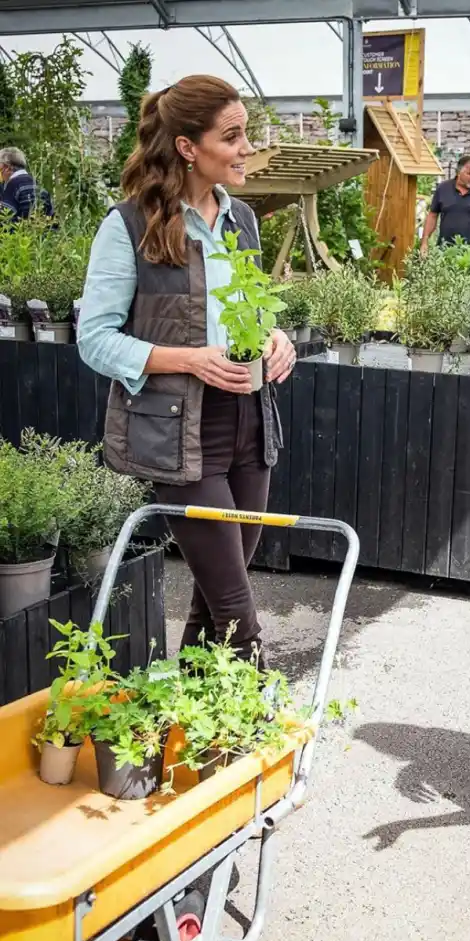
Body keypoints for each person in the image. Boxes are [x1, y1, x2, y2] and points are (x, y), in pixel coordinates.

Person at [77, 75, 296, 665]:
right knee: (237, 614)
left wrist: (277, 337)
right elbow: (94, 340)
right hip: (180, 434)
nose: (247, 146)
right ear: (187, 147)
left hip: (250, 421)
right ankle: (248, 737)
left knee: (211, 601)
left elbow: (250, 306)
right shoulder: (129, 227)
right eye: (233, 136)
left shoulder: (241, 219)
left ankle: (189, 745)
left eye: (245, 132)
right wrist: (187, 359)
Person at [420, 154, 470, 252]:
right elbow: (432, 216)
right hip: (444, 251)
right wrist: (424, 242)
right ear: (459, 173)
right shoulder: (443, 189)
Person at [0, 147, 53, 221]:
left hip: (21, 231)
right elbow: (51, 217)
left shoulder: (12, 185)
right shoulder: (38, 185)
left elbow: (4, 217)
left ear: (8, 168)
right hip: (42, 230)